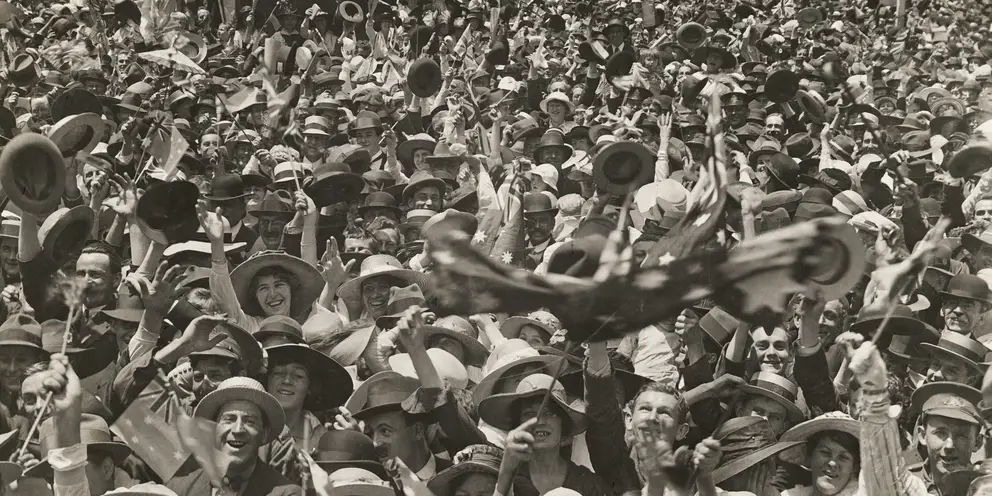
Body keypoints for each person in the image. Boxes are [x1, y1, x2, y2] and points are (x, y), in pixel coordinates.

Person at [168, 377, 302, 495]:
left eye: (250, 421)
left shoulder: (287, 493)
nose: (238, 430)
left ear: (264, 434)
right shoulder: (178, 489)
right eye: (229, 419)